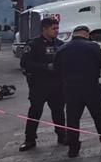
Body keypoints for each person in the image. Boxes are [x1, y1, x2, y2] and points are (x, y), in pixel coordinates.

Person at [54, 25, 101, 158]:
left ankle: (73, 148)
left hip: (71, 89)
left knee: (73, 119)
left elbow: (56, 68)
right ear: (86, 34)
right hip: (91, 87)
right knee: (100, 116)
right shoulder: (93, 46)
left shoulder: (62, 49)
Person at [18, 17, 66, 151]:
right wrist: (46, 67)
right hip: (39, 85)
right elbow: (25, 64)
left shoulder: (60, 44)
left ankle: (62, 135)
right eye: (53, 28)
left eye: (57, 28)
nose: (56, 31)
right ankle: (30, 139)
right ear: (44, 29)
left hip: (57, 85)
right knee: (35, 112)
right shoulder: (33, 45)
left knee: (59, 112)